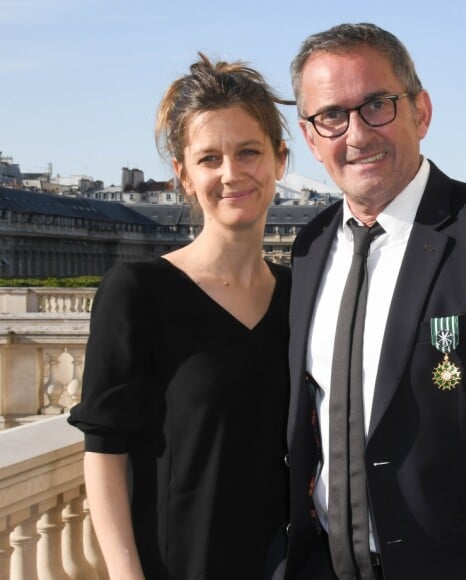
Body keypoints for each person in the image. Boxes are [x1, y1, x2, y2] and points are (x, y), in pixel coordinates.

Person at [283, 22, 466, 580]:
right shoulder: (310, 246)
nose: (358, 134)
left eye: (377, 105)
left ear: (421, 111)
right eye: (332, 117)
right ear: (311, 137)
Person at [68, 53, 292, 580]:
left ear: (280, 160)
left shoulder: (300, 293)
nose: (231, 173)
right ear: (183, 176)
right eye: (209, 158)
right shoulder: (138, 293)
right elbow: (104, 452)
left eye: (249, 152)